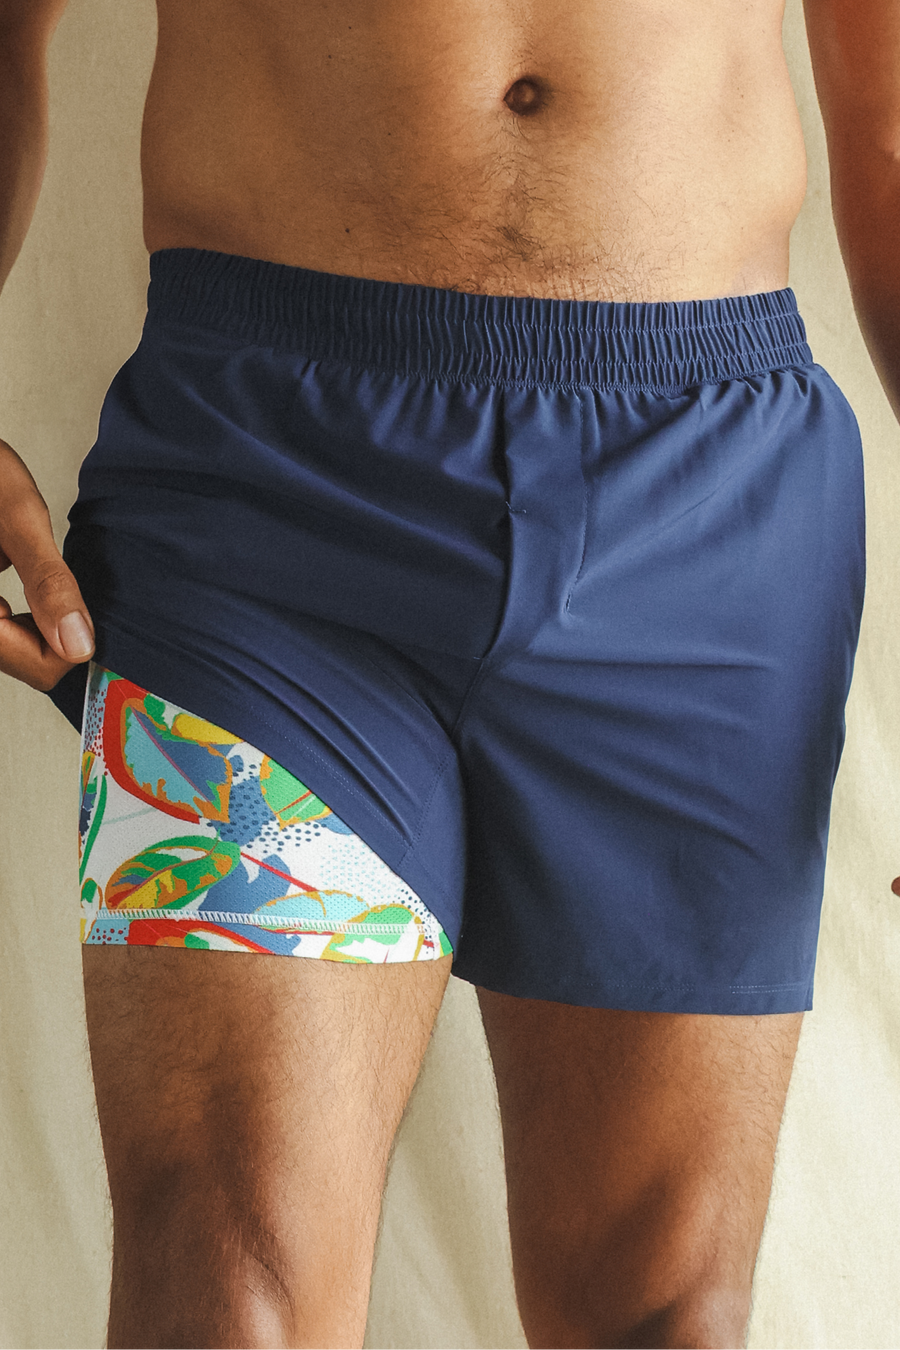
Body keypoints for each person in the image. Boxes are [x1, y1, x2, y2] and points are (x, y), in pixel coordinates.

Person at [0, 1, 893, 1346]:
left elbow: (889, 125)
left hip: (707, 513)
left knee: (662, 1314)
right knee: (223, 1284)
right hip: (261, 488)